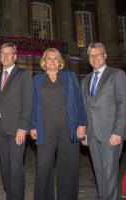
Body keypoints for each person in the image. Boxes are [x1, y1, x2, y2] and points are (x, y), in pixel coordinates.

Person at [30, 48, 87, 200]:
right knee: (43, 166)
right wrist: (33, 125)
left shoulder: (70, 77)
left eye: (55, 58)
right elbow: (33, 104)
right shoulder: (36, 80)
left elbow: (79, 101)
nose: (52, 61)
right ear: (44, 62)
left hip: (69, 128)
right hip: (45, 128)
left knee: (68, 166)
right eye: (49, 58)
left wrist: (82, 123)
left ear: (60, 62)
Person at [81, 42, 126, 200]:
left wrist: (118, 131)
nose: (94, 58)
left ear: (105, 56)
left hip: (111, 134)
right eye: (91, 55)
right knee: (100, 174)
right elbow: (86, 107)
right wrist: (85, 132)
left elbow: (123, 104)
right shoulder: (86, 80)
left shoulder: (117, 74)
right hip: (93, 133)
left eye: (98, 54)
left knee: (109, 175)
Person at [0, 43, 32, 200]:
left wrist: (23, 128)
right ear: (0, 56)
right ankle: (10, 195)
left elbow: (27, 103)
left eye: (9, 53)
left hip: (16, 130)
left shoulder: (23, 74)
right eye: (2, 53)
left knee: (16, 167)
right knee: (5, 166)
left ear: (15, 56)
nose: (5, 56)